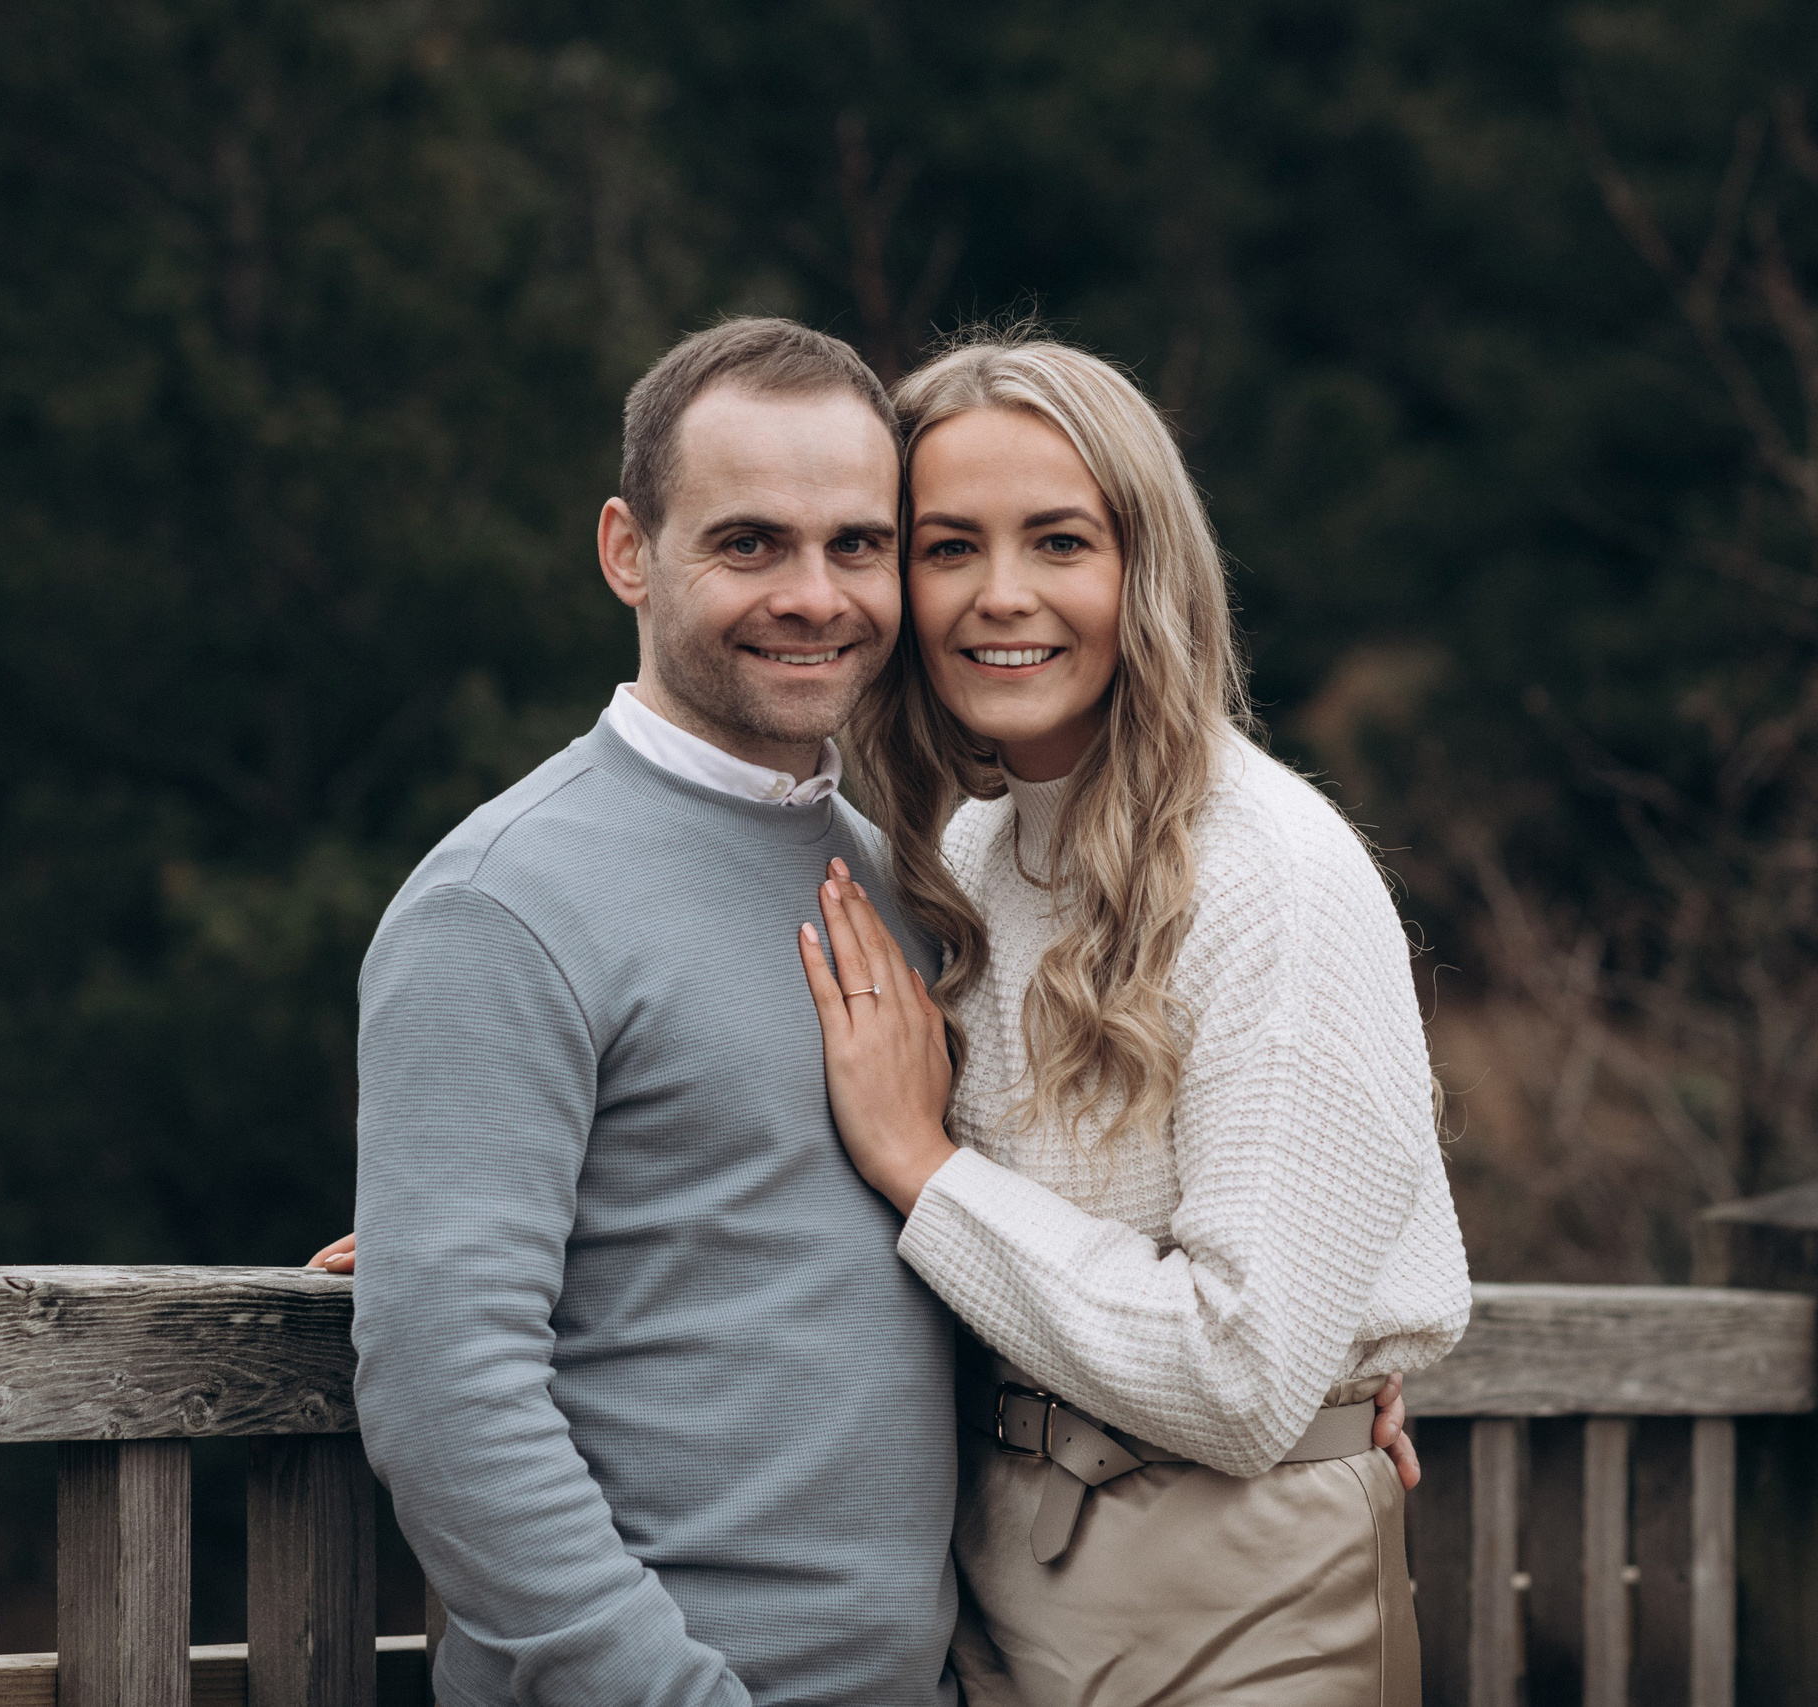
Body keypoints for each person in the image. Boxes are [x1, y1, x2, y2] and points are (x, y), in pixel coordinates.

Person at [327, 315, 1423, 1707]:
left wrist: (1338, 1353)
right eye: (747, 544)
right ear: (626, 552)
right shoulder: (506, 897)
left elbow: (949, 1214)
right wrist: (463, 1238)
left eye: (858, 544)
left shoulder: (901, 867)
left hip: (1013, 1650)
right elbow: (448, 1390)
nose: (814, 594)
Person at [794, 329, 1472, 1706]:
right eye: (946, 548)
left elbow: (1241, 1377)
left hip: (1239, 1595)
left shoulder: (1269, 869)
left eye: (1059, 541)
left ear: (1144, 567)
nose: (1002, 597)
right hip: (992, 1559)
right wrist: (542, 1236)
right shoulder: (966, 855)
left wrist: (931, 1172)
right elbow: (834, 1124)